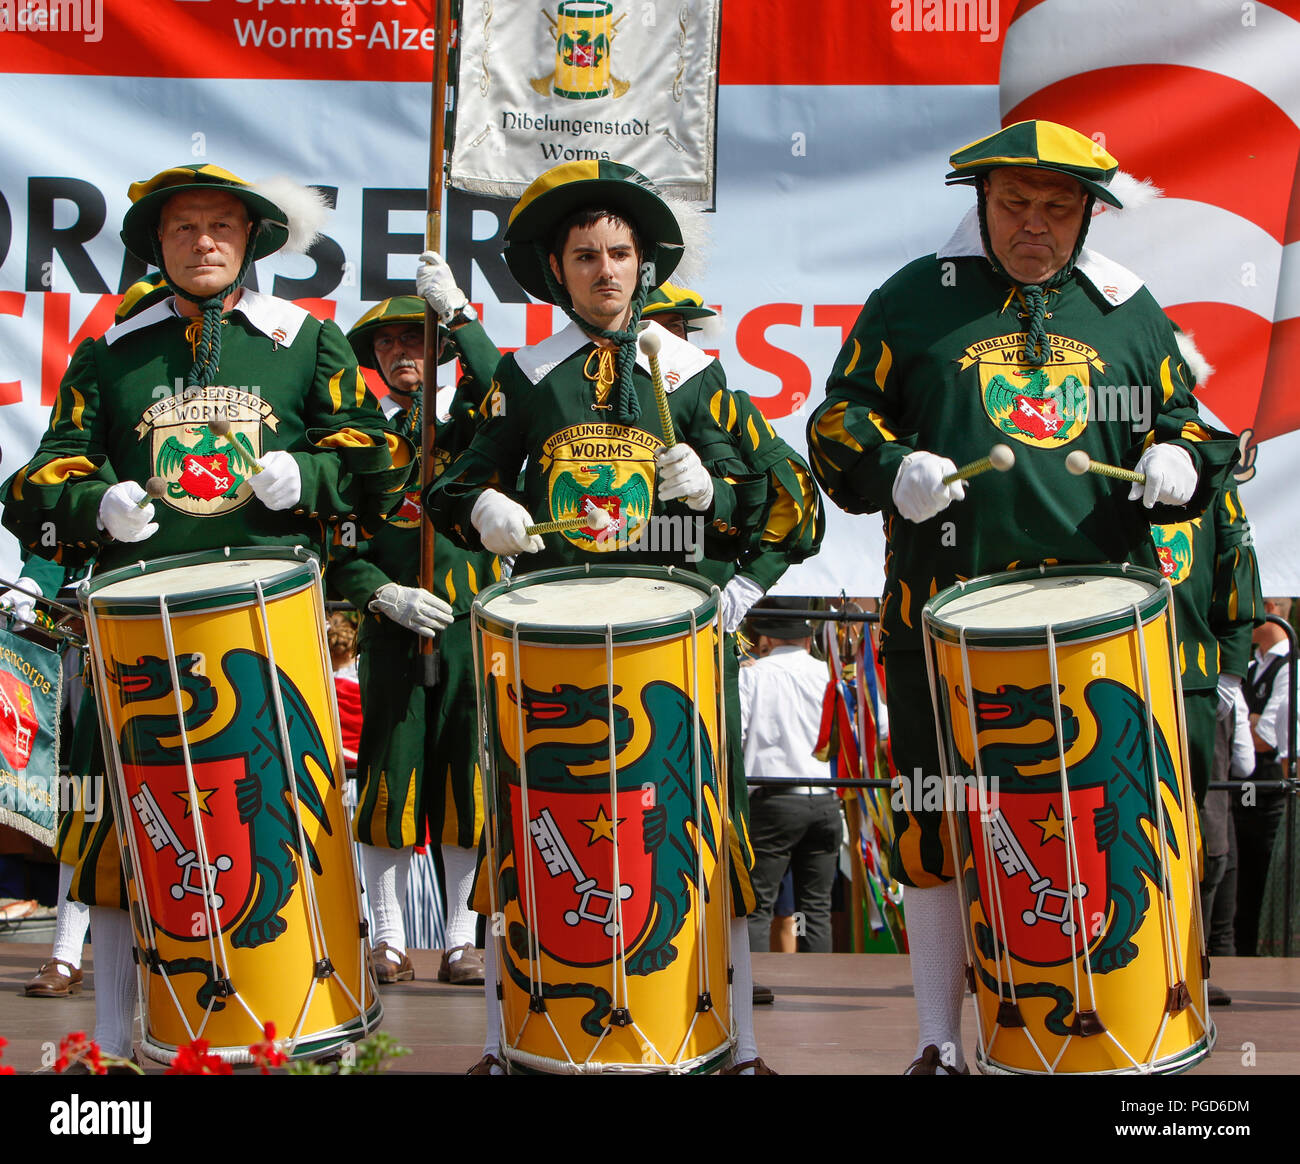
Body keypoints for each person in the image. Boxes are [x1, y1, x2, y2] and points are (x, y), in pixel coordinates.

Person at [807, 120, 1238, 1074]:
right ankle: (935, 1039)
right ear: (980, 204)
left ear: (1088, 213)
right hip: (942, 623)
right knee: (941, 817)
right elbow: (835, 419)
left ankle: (1144, 1020)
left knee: (1110, 813)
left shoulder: (1127, 312)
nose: (1032, 226)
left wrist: (1179, 459)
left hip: (1104, 637)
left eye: (1056, 207)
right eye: (1013, 205)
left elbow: (1201, 428)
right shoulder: (916, 299)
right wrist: (891, 467)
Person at [1, 163, 412, 1066]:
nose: (203, 242)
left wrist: (313, 473)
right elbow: (36, 481)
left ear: (253, 239)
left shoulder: (307, 340)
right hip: (135, 641)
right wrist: (94, 503)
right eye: (183, 228)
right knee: (114, 840)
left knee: (275, 822)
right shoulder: (110, 353)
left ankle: (308, 1036)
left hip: (267, 640)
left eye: (221, 225)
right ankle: (110, 1055)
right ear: (157, 244)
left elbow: (378, 458)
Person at [426, 159, 774, 1074]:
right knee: (529, 828)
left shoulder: (698, 377)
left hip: (677, 653)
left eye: (620, 252)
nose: (606, 270)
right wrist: (482, 511)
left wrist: (722, 493)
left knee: (706, 833)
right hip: (555, 656)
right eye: (586, 255)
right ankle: (512, 1044)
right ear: (557, 268)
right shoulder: (526, 375)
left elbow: (795, 509)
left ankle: (734, 1044)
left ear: (644, 264)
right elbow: (453, 485)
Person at [333, 280, 502, 986]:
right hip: (393, 629)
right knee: (387, 784)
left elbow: (503, 385)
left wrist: (461, 320)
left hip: (472, 627)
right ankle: (391, 938)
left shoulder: (472, 427)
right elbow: (339, 542)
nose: (403, 352)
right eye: (388, 342)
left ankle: (462, 939)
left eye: (416, 338)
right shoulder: (361, 439)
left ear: (439, 351)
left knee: (468, 782)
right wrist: (382, 595)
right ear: (373, 357)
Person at [739, 598, 842, 955]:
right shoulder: (827, 673)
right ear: (807, 631)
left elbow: (733, 736)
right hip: (826, 799)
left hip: (774, 799)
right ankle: (821, 992)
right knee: (816, 910)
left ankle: (752, 991)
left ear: (766, 633)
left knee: (757, 906)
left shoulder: (752, 674)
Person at [1235, 597, 1295, 955]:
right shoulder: (1250, 663)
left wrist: (1240, 727)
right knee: (1238, 878)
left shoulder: (1291, 663)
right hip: (1243, 793)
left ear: (1269, 605)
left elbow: (1264, 739)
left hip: (1269, 795)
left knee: (1260, 879)